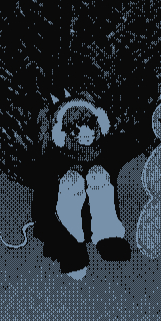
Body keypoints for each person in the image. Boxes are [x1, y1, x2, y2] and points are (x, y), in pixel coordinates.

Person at [29, 96, 145, 275]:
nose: (86, 132)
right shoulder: (53, 161)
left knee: (98, 175)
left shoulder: (106, 151)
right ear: (63, 132)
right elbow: (42, 211)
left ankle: (108, 237)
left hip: (99, 226)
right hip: (66, 230)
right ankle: (71, 246)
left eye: (90, 124)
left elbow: (133, 142)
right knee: (72, 180)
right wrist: (63, 244)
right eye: (76, 128)